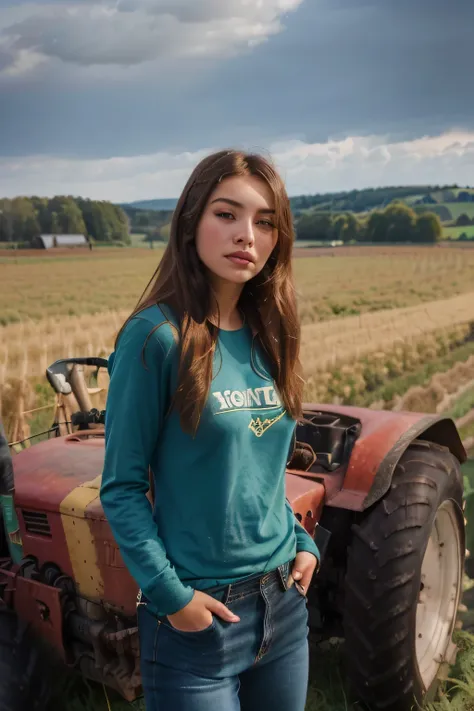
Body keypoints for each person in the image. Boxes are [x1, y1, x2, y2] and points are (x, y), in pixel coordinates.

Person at [100, 149, 320, 711]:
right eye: (226, 214)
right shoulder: (156, 338)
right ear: (191, 220)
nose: (246, 234)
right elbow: (122, 488)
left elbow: (263, 470)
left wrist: (301, 541)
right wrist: (173, 598)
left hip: (284, 605)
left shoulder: (273, 332)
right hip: (198, 620)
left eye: (265, 221)